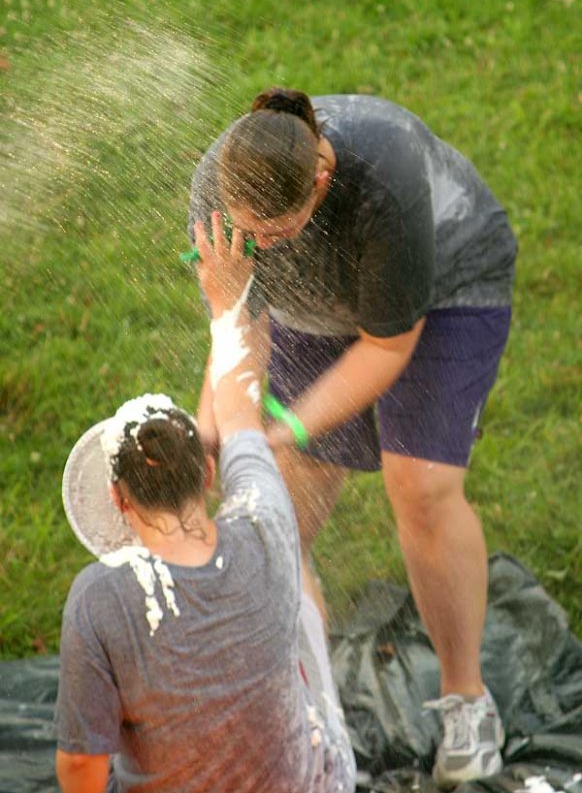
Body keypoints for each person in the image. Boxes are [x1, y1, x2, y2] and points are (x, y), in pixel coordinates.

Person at [189, 87, 517, 787]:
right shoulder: (219, 189)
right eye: (247, 235)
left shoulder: (382, 183)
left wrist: (290, 424)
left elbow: (387, 349)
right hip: (315, 307)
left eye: (273, 234)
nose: (257, 245)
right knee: (274, 507)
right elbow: (235, 320)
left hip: (447, 284)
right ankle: (305, 717)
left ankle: (468, 702)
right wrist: (214, 427)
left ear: (320, 180)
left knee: (419, 485)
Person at [54, 220, 357, 793]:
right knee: (296, 583)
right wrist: (228, 300)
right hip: (316, 783)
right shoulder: (267, 523)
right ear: (209, 472)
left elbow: (82, 771)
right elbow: (240, 410)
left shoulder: (99, 602)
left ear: (119, 500)